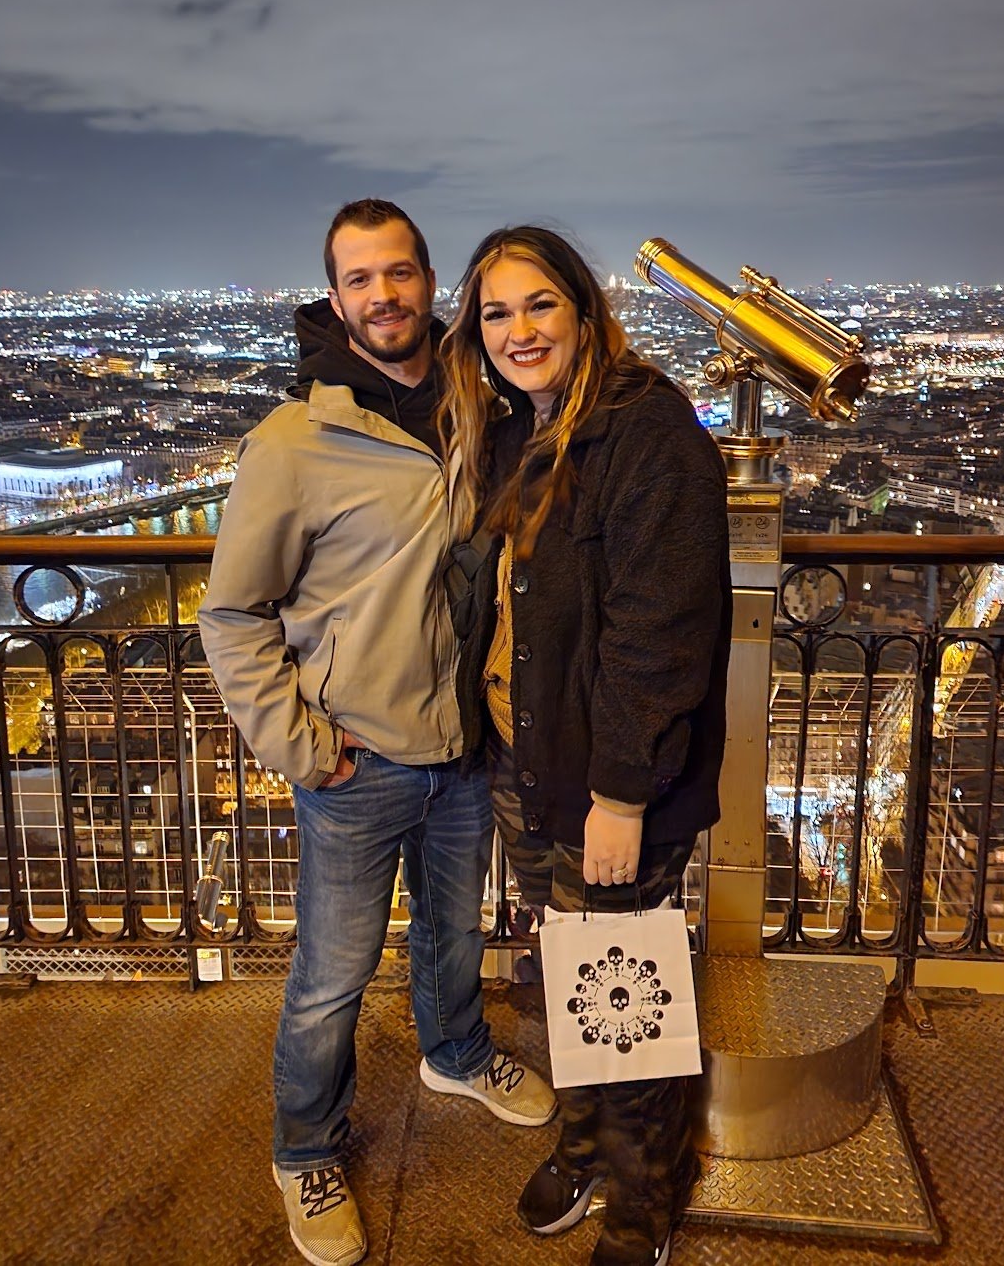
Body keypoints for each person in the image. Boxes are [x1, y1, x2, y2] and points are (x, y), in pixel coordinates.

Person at [198, 199, 555, 1266]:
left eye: (399, 274)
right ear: (335, 295)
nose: (383, 295)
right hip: (354, 760)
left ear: (427, 281)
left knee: (453, 937)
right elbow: (232, 614)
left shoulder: (474, 411)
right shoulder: (295, 441)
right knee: (330, 978)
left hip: (459, 752)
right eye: (360, 279)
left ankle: (453, 1050)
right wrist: (305, 749)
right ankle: (304, 1147)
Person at [440, 226, 732, 1266]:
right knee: (570, 968)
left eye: (537, 307)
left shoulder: (648, 433)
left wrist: (620, 792)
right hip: (528, 764)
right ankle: (584, 1141)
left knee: (626, 989)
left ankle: (646, 1196)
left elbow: (660, 631)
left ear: (581, 309)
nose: (517, 331)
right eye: (494, 313)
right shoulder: (521, 428)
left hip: (608, 783)